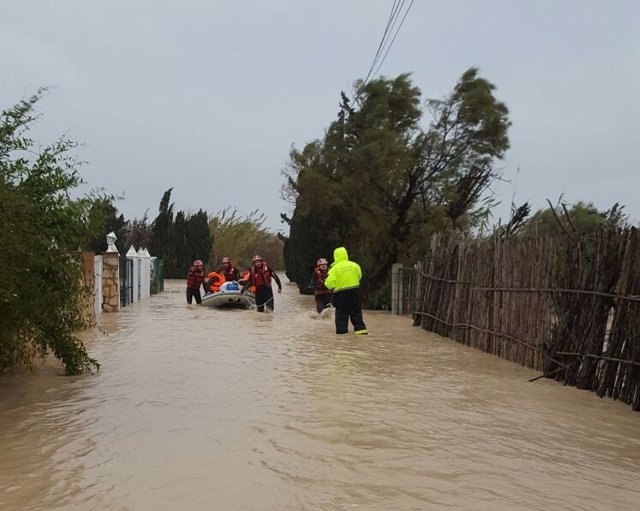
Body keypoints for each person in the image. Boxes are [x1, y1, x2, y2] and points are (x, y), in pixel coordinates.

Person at [324, 247, 368, 335]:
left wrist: (335, 285)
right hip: (355, 292)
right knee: (356, 314)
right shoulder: (355, 265)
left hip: (341, 295)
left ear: (335, 256)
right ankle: (362, 333)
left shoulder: (334, 269)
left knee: (341, 316)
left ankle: (342, 340)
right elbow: (359, 276)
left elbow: (328, 284)